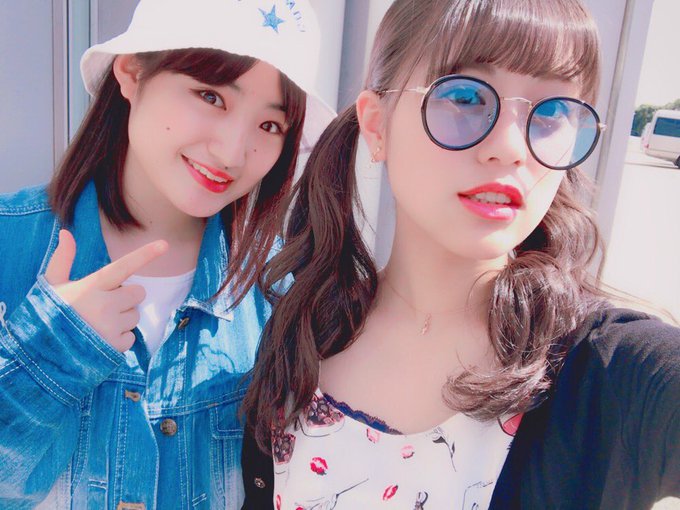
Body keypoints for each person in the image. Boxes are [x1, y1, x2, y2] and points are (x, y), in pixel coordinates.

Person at [240, 0, 680, 508]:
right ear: (378, 126)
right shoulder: (297, 335)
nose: (511, 146)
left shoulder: (608, 372)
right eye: (466, 96)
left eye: (552, 112)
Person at [0, 0, 333, 508]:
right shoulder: (10, 245)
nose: (232, 152)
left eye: (270, 125)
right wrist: (52, 352)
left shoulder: (279, 295)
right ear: (132, 73)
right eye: (211, 96)